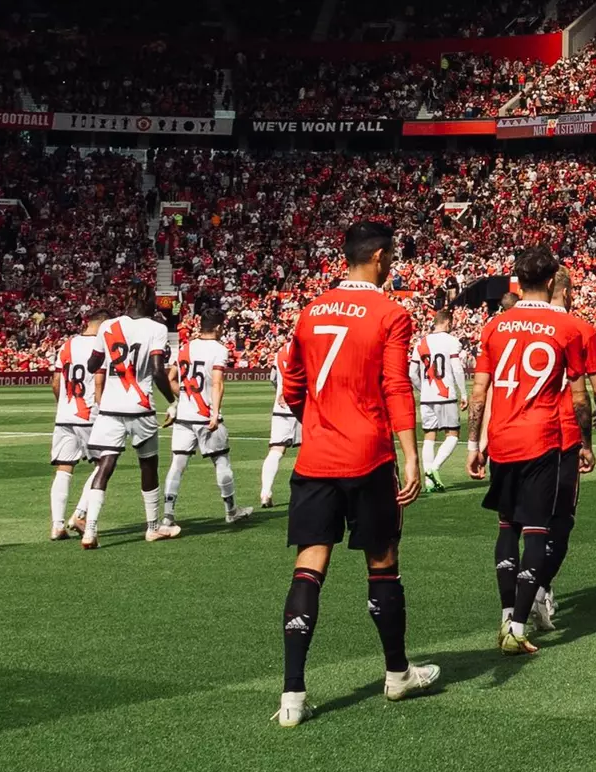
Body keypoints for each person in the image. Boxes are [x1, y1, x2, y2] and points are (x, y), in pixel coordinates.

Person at [275, 221, 438, 728]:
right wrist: (410, 455)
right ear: (382, 258)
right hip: (367, 456)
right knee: (383, 561)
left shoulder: (310, 311)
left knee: (309, 566)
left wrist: (319, 424)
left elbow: (293, 383)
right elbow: (395, 386)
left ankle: (293, 696)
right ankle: (396, 674)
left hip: (316, 457)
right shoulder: (391, 313)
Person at [465, 246, 589, 655]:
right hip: (542, 438)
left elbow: (479, 392)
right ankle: (517, 627)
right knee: (537, 530)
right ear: (552, 282)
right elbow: (580, 396)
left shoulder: (495, 326)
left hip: (500, 436)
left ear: (517, 282)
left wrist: (473, 443)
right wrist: (586, 441)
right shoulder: (567, 326)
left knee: (506, 528)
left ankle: (505, 614)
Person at [531, 270, 596, 631]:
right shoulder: (580, 328)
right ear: (563, 290)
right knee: (560, 520)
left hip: (517, 434)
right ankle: (538, 587)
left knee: (522, 521)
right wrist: (594, 432)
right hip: (562, 433)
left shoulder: (512, 323)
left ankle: (515, 606)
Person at [82, 281, 178, 549]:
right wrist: (172, 402)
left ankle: (90, 530)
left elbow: (92, 364)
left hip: (110, 408)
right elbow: (159, 371)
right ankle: (152, 527)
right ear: (146, 300)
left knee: (105, 466)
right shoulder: (157, 328)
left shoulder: (108, 327)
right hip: (141, 406)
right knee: (148, 465)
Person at [161, 308, 253, 529]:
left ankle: (167, 516)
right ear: (219, 327)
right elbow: (218, 383)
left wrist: (180, 400)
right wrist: (214, 413)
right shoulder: (219, 350)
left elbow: (171, 378)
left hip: (184, 416)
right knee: (221, 461)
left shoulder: (186, 347)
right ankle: (231, 511)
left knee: (177, 465)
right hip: (205, 416)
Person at [49, 309, 106, 541]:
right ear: (102, 324)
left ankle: (56, 525)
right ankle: (80, 514)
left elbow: (55, 382)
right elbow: (103, 383)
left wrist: (63, 405)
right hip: (90, 415)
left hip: (65, 414)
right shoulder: (102, 347)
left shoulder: (66, 345)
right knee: (104, 464)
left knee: (64, 469)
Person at [409, 309, 467, 493]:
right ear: (448, 323)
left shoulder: (421, 342)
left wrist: (422, 388)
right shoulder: (452, 342)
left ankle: (428, 481)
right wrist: (463, 393)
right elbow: (457, 369)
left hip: (427, 397)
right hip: (446, 394)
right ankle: (433, 468)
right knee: (452, 435)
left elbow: (412, 373)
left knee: (429, 436)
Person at [260, 338, 301, 508]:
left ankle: (265, 492)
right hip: (303, 406)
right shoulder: (308, 348)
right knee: (309, 451)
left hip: (281, 407)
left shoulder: (281, 351)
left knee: (276, 450)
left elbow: (273, 379)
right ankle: (303, 494)